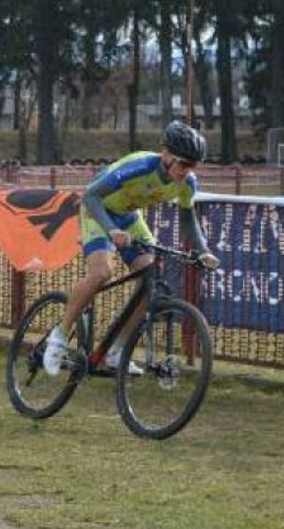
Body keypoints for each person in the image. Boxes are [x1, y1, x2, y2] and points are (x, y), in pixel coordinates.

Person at [42, 121, 222, 377]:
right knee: (102, 272)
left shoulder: (186, 183)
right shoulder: (139, 167)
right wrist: (110, 229)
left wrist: (203, 249)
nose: (186, 171)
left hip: (128, 217)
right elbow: (90, 196)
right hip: (99, 211)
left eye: (192, 166)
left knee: (151, 282)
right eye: (183, 163)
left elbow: (187, 219)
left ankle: (117, 351)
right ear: (166, 155)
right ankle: (58, 337)